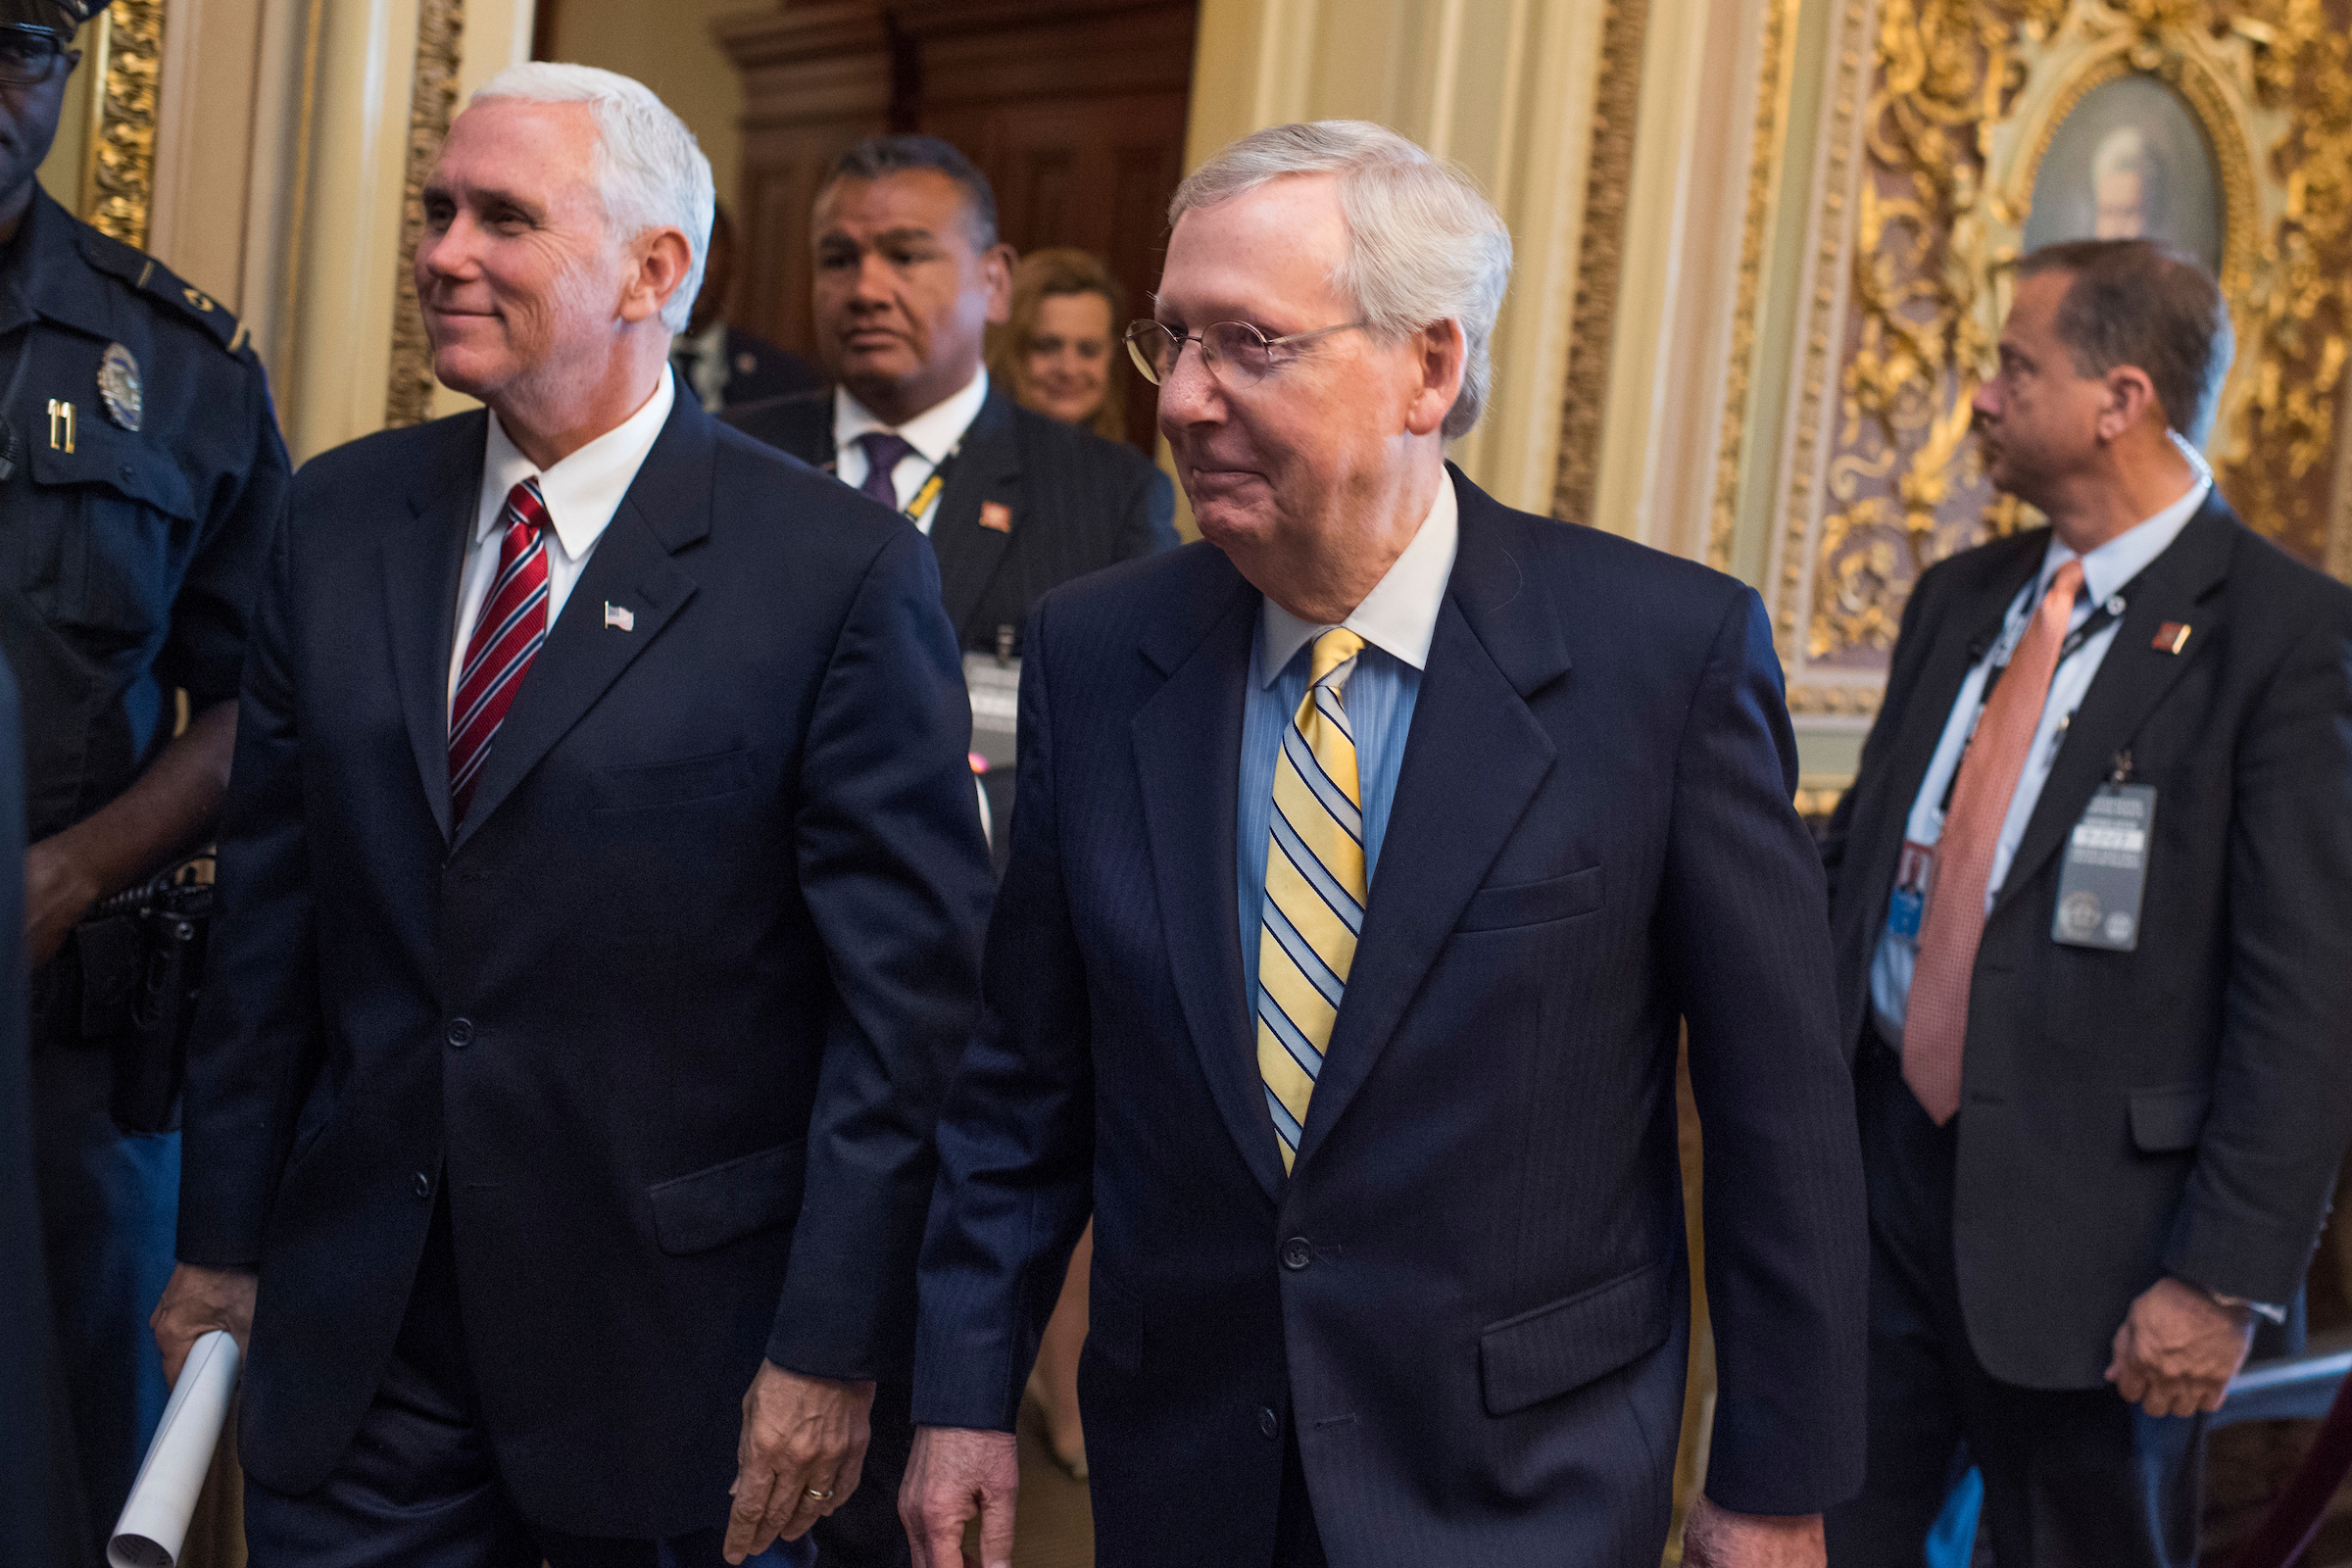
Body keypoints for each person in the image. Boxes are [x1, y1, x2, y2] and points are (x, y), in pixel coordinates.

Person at [900, 120, 1869, 1568]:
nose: (1186, 399)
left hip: (1516, 1477)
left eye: (1253, 344)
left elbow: (1778, 1118)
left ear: (1431, 366)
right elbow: (1024, 1087)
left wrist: (1774, 1481)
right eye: (1174, 341)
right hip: (1183, 1464)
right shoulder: (1100, 653)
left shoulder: (1659, 659)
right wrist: (966, 1396)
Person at [150, 64, 994, 1568]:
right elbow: (270, 919)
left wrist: (833, 1347)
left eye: (504, 218)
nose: (444, 251)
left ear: (653, 271)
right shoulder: (338, 522)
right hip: (363, 1347)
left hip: (680, 1361)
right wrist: (216, 1246)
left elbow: (906, 1016)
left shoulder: (835, 574)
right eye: (436, 210)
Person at [1820, 239, 2352, 1566]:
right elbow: (1863, 859)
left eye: (2012, 366)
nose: (1983, 396)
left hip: (2105, 1253)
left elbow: (2309, 990)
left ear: (2119, 399)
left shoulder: (2286, 638)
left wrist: (2219, 1280)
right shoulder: (1960, 599)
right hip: (1881, 1184)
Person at [1, 0, 291, 1557]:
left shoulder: (173, 361)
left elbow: (263, 704)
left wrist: (73, 873)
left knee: (70, 1484)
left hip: (62, 1058)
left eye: (19, 48)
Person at [724, 135, 1175, 660]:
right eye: (839, 259)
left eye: (906, 255)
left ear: (995, 283)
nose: (866, 290)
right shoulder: (725, 457)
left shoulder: (1108, 499)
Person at [671, 200, 822, 412]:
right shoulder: (622, 366)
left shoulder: (781, 378)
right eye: (681, 249)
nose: (693, 269)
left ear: (732, 260)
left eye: (706, 248)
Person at [986, 246, 1128, 443]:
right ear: (1007, 349)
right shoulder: (963, 464)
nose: (1069, 370)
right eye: (1046, 347)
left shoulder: (1133, 471)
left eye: (1089, 350)